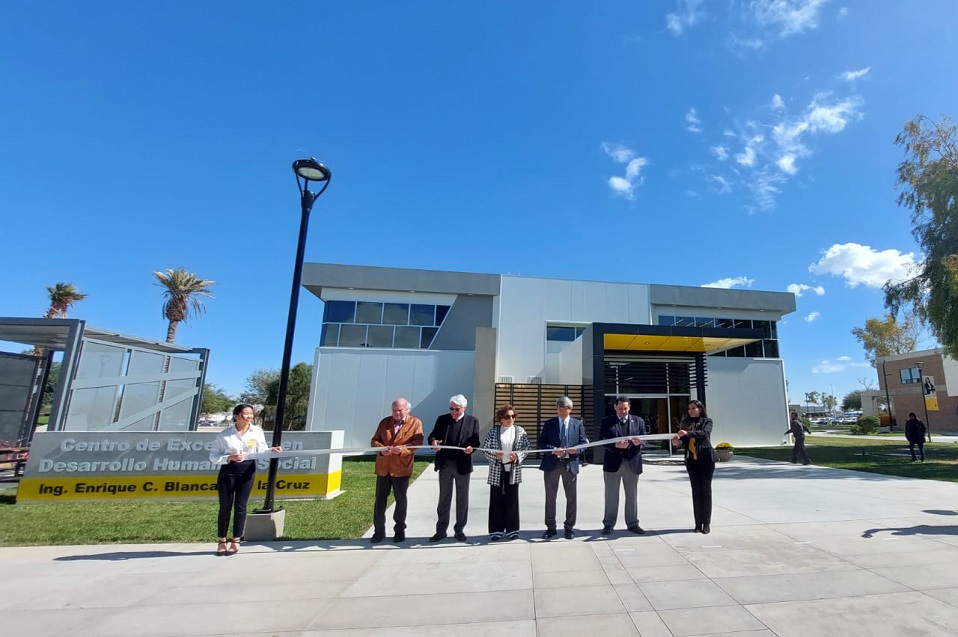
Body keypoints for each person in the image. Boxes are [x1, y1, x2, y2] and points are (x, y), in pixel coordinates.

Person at [209, 404, 281, 555]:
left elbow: (261, 450)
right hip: (228, 472)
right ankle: (222, 540)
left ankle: (236, 539)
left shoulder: (257, 431)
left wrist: (271, 451)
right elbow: (213, 456)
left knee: (241, 506)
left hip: (247, 471)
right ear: (236, 416)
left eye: (251, 414)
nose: (249, 417)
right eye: (245, 414)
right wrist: (229, 457)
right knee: (225, 507)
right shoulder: (224, 435)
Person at [427, 394, 481, 542]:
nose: (454, 412)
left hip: (462, 465)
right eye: (452, 409)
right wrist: (434, 442)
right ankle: (441, 530)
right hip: (445, 464)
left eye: (457, 409)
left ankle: (459, 530)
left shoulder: (472, 421)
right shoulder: (442, 419)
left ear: (464, 408)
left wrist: (472, 448)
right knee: (444, 498)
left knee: (462, 499)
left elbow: (476, 441)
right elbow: (432, 436)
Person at [370, 397, 424, 543]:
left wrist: (402, 450)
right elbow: (374, 440)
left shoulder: (415, 422)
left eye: (400, 410)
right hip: (383, 468)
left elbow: (417, 442)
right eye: (394, 410)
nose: (397, 413)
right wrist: (381, 450)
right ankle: (379, 531)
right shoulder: (384, 422)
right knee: (380, 501)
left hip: (401, 468)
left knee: (400, 500)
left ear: (407, 410)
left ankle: (399, 530)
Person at [538, 396, 589, 540]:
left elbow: (583, 442)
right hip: (552, 464)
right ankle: (550, 527)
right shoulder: (549, 424)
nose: (561, 411)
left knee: (571, 498)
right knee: (550, 497)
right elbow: (541, 443)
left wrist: (577, 450)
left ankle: (569, 528)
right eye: (559, 409)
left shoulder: (577, 424)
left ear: (570, 409)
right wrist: (554, 449)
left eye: (564, 409)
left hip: (570, 464)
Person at [599, 396, 647, 535]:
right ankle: (608, 524)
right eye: (620, 408)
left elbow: (645, 439)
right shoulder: (607, 422)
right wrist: (615, 444)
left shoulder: (638, 421)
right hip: (613, 463)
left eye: (625, 408)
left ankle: (632, 523)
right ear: (615, 407)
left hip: (632, 462)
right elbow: (602, 440)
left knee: (632, 495)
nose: (623, 411)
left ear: (629, 407)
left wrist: (640, 443)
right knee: (611, 495)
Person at [483, 404, 531, 541]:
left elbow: (526, 447)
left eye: (512, 416)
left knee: (512, 500)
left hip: (513, 470)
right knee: (496, 500)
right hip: (497, 469)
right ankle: (496, 530)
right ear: (501, 419)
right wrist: (494, 455)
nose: (510, 419)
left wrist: (518, 456)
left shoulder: (520, 431)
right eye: (507, 417)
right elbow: (486, 448)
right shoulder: (494, 432)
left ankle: (512, 530)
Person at [672, 400, 717, 534]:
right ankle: (697, 523)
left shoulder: (706, 421)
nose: (691, 411)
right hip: (692, 461)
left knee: (706, 492)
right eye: (689, 409)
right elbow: (683, 441)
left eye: (694, 408)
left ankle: (706, 523)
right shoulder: (686, 424)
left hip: (706, 460)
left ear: (700, 409)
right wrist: (676, 442)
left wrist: (687, 433)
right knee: (696, 492)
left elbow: (704, 434)